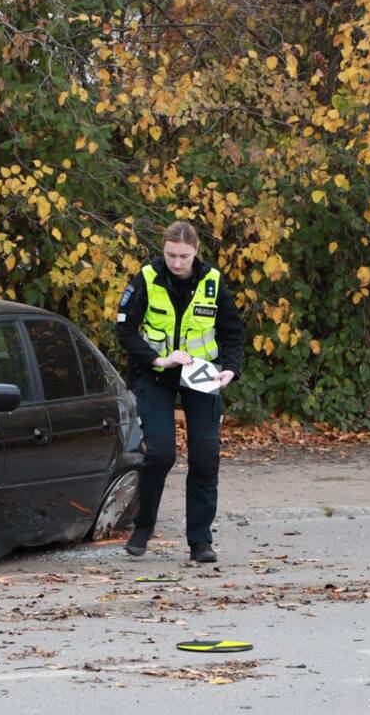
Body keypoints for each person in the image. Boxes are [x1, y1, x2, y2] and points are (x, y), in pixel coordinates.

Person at [115, 221, 244, 562]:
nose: (176, 263)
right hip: (157, 374)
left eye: (183, 256)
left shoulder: (213, 282)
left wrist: (230, 367)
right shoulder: (147, 278)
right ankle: (142, 530)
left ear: (195, 252)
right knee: (160, 454)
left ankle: (200, 542)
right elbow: (125, 330)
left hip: (202, 377)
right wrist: (159, 358)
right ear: (164, 250)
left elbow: (232, 331)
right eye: (170, 255)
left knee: (205, 456)